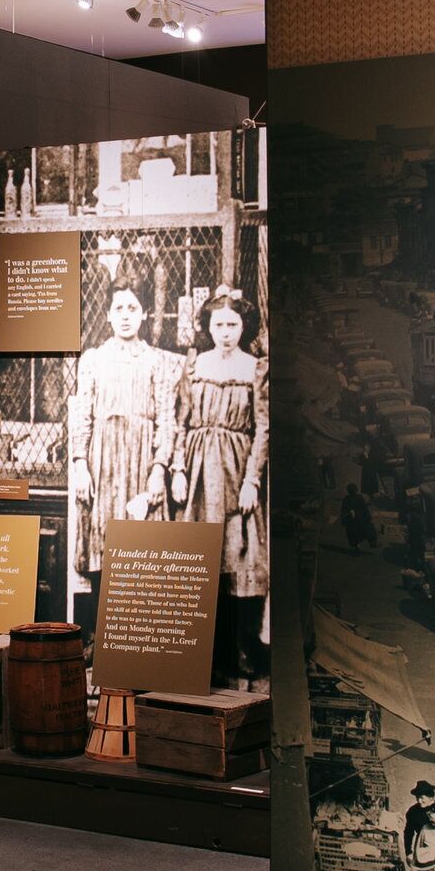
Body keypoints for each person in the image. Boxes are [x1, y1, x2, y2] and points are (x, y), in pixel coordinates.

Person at [171, 289, 268, 686]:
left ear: (243, 327)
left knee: (238, 557)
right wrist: (177, 468)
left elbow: (262, 429)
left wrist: (251, 482)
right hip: (196, 473)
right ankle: (203, 654)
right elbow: (181, 421)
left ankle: (241, 650)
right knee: (199, 556)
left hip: (235, 466)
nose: (225, 332)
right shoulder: (195, 365)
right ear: (207, 327)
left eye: (232, 325)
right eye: (218, 325)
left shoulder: (255, 369)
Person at [65, 284, 181, 593]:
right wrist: (80, 465)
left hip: (142, 462)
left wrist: (159, 469)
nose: (125, 316)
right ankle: (101, 634)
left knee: (144, 545)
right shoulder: (93, 359)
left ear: (144, 314)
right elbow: (82, 416)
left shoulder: (158, 361)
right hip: (103, 464)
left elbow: (167, 420)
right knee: (103, 546)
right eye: (119, 308)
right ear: (108, 315)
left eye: (132, 308)